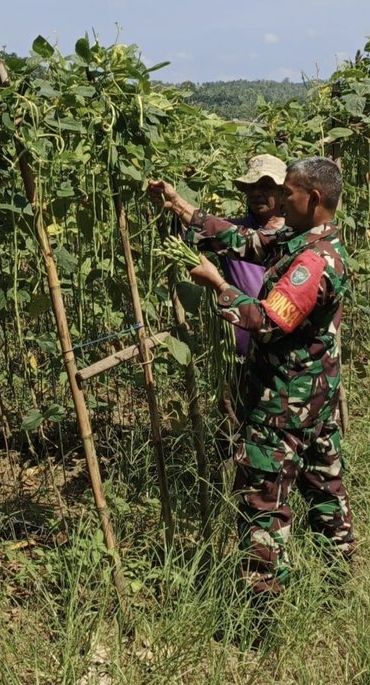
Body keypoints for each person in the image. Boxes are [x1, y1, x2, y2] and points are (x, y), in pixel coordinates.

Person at [148, 156, 354, 598]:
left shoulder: (314, 261)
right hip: (315, 399)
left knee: (264, 504)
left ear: (312, 198)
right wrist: (180, 206)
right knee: (325, 488)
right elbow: (244, 240)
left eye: (287, 193)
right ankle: (340, 585)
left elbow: (268, 320)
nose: (279, 200)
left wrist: (218, 285)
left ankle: (261, 611)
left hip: (284, 404)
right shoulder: (301, 238)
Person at [225, 154, 288, 360]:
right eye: (251, 186)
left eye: (266, 186)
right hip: (244, 353)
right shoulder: (231, 232)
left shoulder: (297, 235)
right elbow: (193, 228)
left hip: (288, 358)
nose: (256, 192)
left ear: (283, 191)